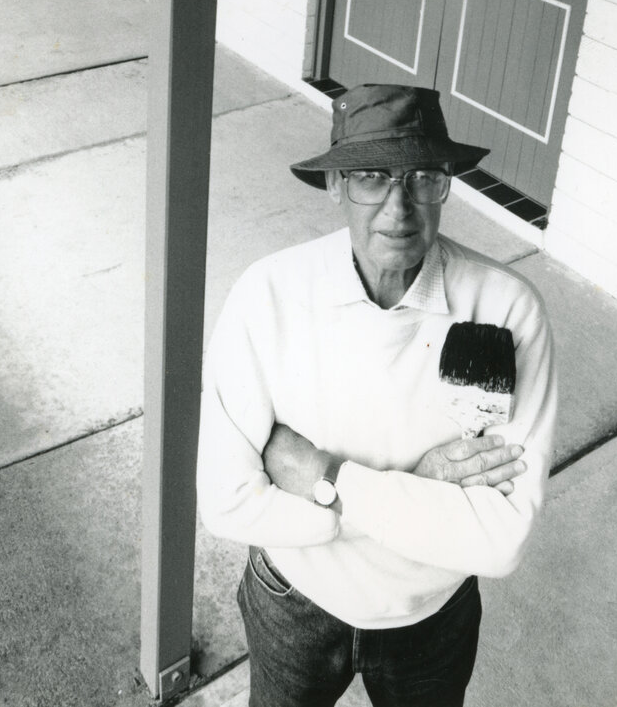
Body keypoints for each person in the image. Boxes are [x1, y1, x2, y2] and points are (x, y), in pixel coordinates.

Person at [197, 84, 557, 707]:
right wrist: (420, 488)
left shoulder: (504, 310)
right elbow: (227, 505)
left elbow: (501, 542)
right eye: (370, 177)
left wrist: (324, 475)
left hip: (432, 617)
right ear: (336, 185)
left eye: (422, 177)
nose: (398, 207)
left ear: (447, 181)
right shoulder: (270, 295)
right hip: (294, 602)